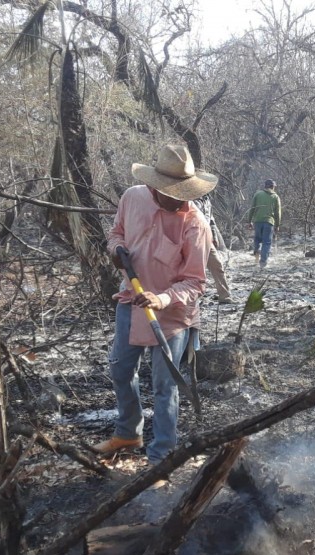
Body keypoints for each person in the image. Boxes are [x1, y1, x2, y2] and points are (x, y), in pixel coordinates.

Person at [93, 143, 216, 465]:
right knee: (121, 369)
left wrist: (162, 298)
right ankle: (128, 432)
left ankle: (162, 455)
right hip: (130, 301)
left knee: (165, 387)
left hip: (173, 314)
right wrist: (117, 249)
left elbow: (196, 283)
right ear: (153, 186)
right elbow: (116, 232)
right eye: (171, 192)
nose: (178, 198)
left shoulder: (195, 225)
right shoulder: (133, 198)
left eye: (184, 192)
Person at [193, 194, 235, 304]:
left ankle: (225, 296)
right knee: (193, 270)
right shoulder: (189, 200)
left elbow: (211, 220)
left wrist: (214, 236)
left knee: (217, 265)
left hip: (206, 238)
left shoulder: (207, 199)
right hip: (192, 238)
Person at [249, 179, 282, 268]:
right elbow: (278, 212)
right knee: (266, 242)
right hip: (269, 222)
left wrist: (249, 221)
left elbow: (252, 208)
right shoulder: (275, 197)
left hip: (257, 221)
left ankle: (257, 252)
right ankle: (263, 263)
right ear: (272, 187)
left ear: (265, 186)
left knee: (257, 239)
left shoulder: (257, 194)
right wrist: (278, 225)